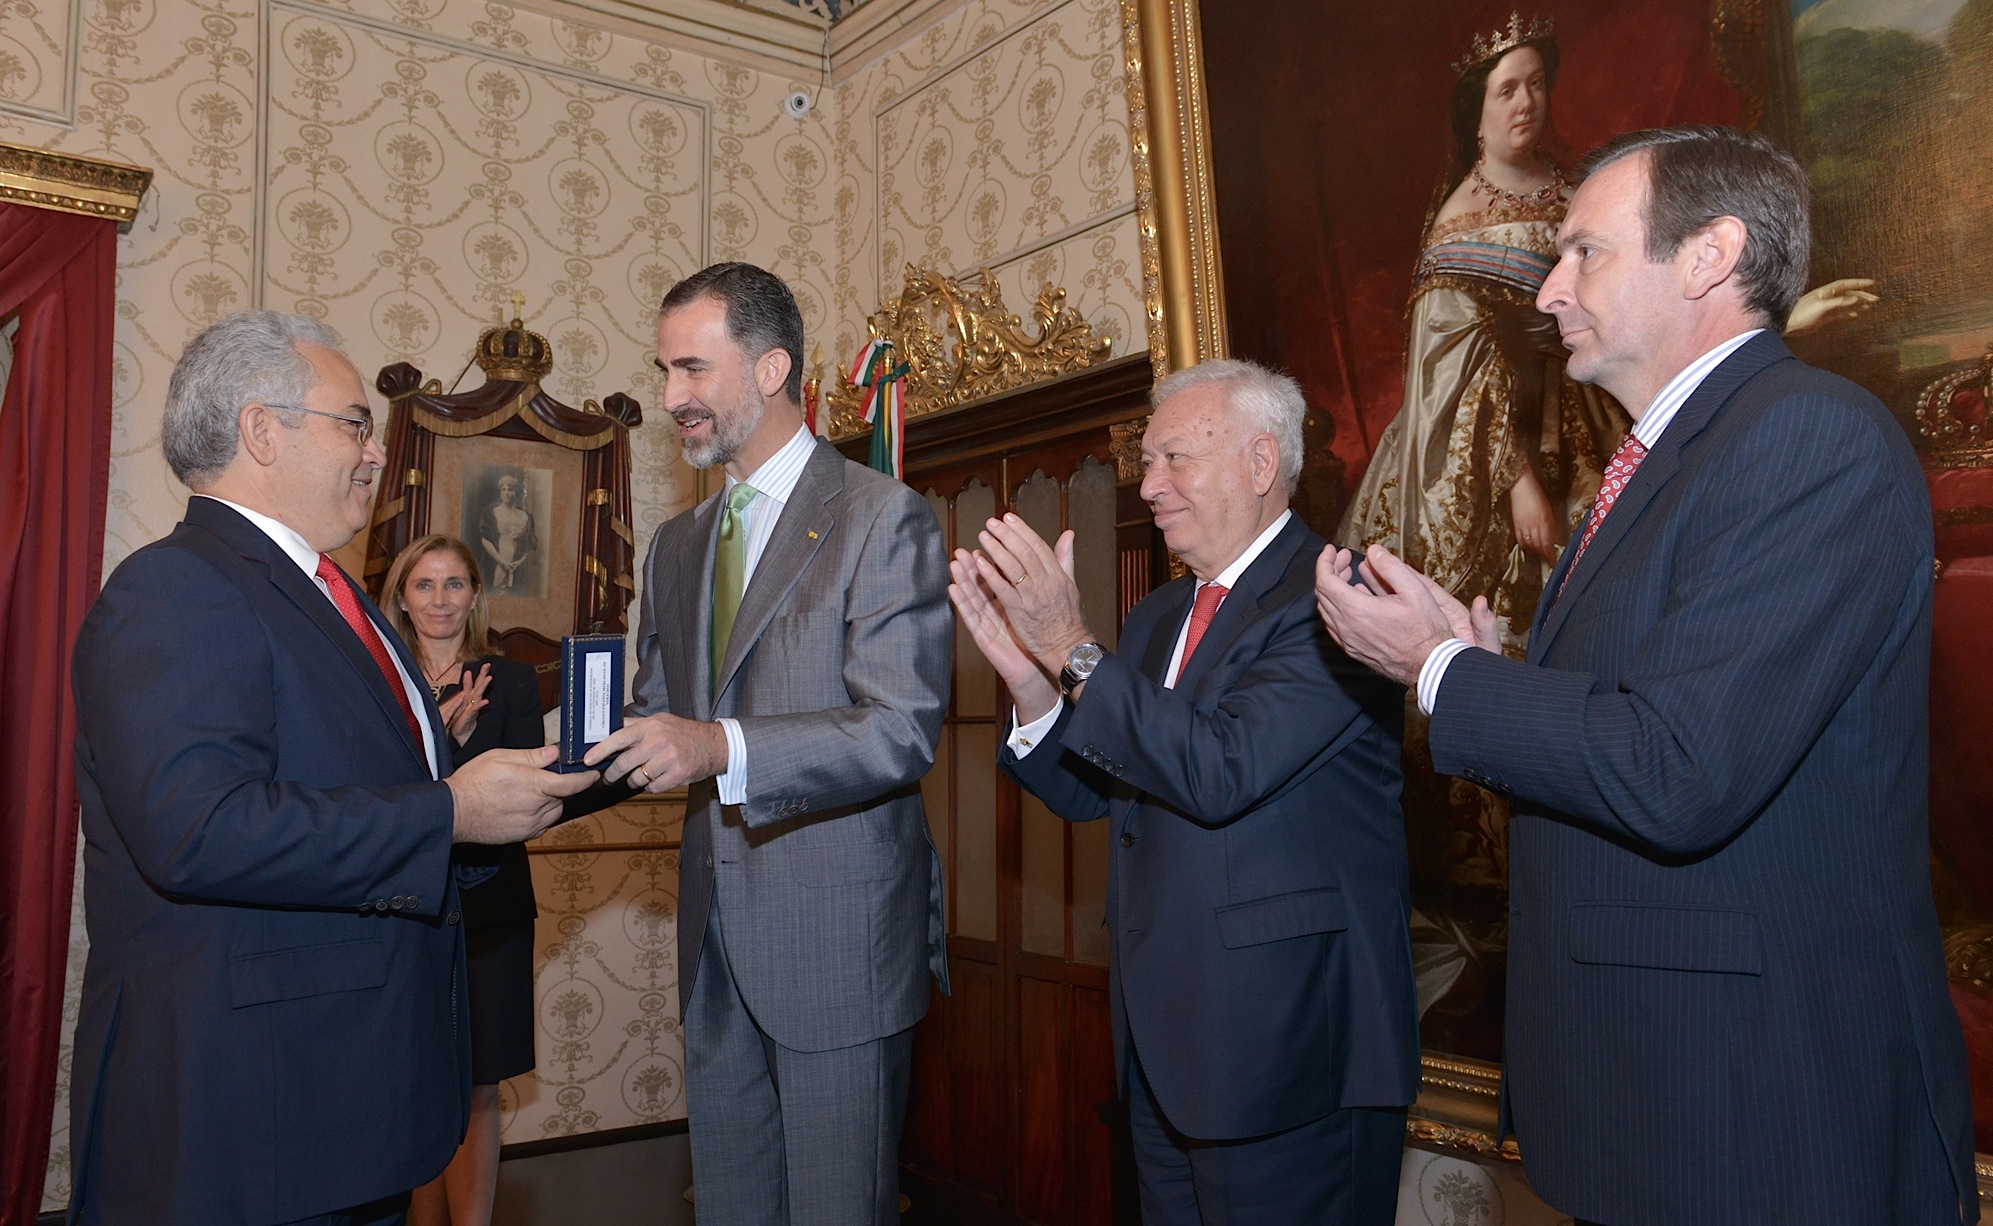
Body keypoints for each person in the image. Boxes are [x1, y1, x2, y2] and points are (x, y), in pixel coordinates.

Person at [1314, 126, 1980, 1226]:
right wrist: (1488, 663)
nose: (1549, 288)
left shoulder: (1806, 437)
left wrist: (1437, 669)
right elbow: (1656, 707)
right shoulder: (1674, 457)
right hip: (1661, 1092)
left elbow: (1676, 766)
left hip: (1756, 1109)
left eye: (1583, 252)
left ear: (1709, 256)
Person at [66, 311, 595, 1226]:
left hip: (343, 1098)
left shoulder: (333, 595)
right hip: (253, 1108)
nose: (376, 452)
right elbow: (197, 831)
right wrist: (450, 815)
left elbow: (374, 793)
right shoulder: (177, 586)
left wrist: (523, 802)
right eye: (355, 423)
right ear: (261, 431)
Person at [950, 359, 1418, 1225]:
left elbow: (1218, 770)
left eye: (1174, 459)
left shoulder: (1338, 597)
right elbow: (1103, 793)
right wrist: (1030, 680)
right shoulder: (1161, 613)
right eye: (1146, 462)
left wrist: (1069, 646)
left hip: (1287, 1052)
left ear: (1260, 462)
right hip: (1165, 1050)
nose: (1149, 486)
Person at [582, 262, 950, 1225]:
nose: (672, 398)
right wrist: (549, 773)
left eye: (693, 370)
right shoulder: (677, 544)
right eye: (665, 372)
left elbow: (900, 729)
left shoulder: (882, 516)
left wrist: (718, 748)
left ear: (772, 368)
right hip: (713, 946)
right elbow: (659, 720)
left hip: (837, 947)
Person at [382, 535, 544, 1226]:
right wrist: (442, 738)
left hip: (491, 904)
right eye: (424, 584)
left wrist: (468, 740)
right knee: (417, 1079)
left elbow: (530, 796)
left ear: (476, 595)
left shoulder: (511, 680)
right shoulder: (380, 679)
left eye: (454, 584)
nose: (440, 599)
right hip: (404, 903)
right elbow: (372, 795)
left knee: (478, 1083)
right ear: (402, 597)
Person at [476, 470, 537, 595]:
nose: (507, 493)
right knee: (495, 592)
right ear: (500, 492)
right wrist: (502, 562)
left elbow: (530, 544)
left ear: (516, 492)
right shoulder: (492, 512)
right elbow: (485, 540)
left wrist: (519, 562)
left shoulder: (525, 516)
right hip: (497, 560)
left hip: (518, 565)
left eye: (510, 489)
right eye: (503, 489)